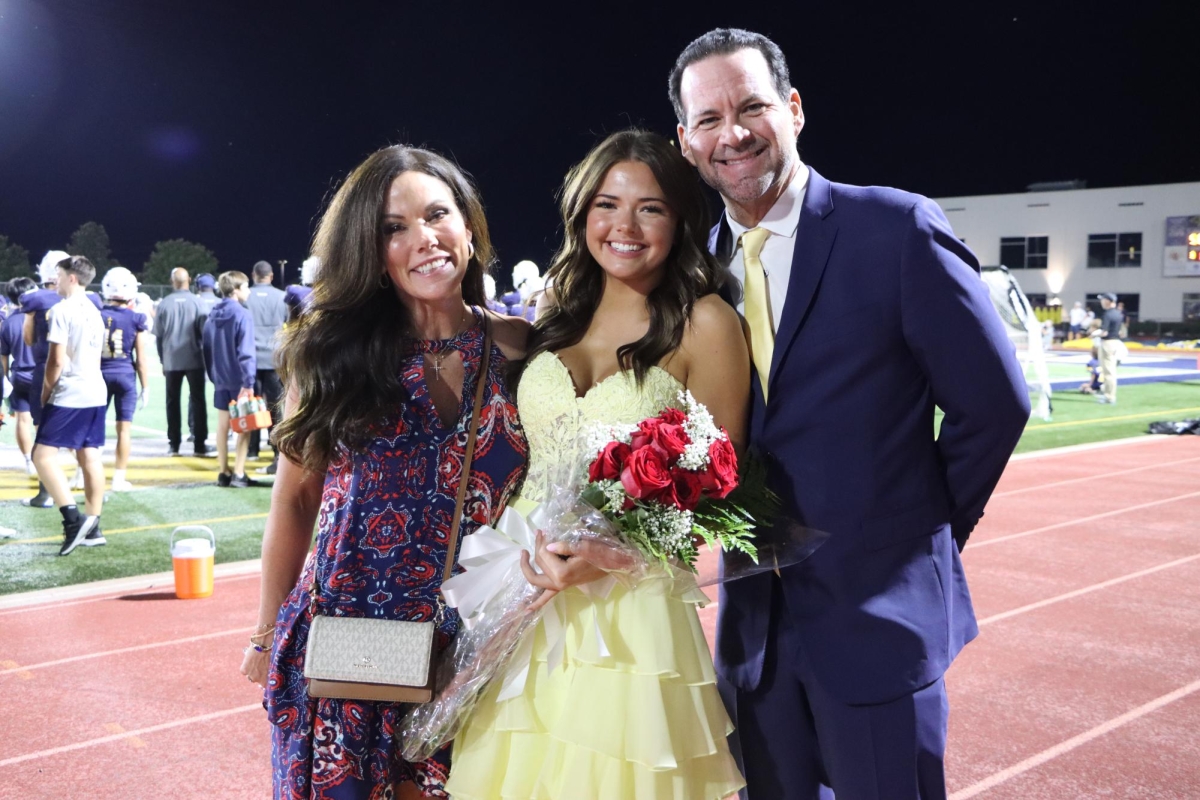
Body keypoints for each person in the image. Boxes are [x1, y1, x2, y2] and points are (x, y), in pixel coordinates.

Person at [670, 29, 1029, 799]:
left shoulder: (896, 229)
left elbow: (994, 404)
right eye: (708, 119)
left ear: (793, 110)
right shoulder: (695, 273)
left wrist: (919, 533)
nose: (731, 134)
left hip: (878, 620)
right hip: (753, 640)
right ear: (686, 140)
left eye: (752, 106)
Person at [447, 130, 749, 800]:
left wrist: (614, 554)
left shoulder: (707, 324)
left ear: (680, 220)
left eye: (651, 208)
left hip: (628, 610)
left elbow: (724, 490)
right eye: (606, 204)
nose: (625, 226)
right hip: (521, 587)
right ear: (582, 215)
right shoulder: (555, 317)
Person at [239, 144, 529, 799]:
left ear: (469, 225)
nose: (422, 239)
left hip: (480, 657)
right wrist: (265, 630)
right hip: (352, 651)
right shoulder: (330, 355)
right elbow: (293, 503)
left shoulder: (522, 349)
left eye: (437, 215)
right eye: (394, 228)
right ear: (368, 251)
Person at [31, 255, 109, 556]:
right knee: (89, 454)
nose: (56, 280)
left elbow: (56, 360)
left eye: (59, 275)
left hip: (71, 391)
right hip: (95, 390)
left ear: (72, 278)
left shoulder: (62, 310)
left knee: (43, 456)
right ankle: (94, 526)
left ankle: (73, 520)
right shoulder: (94, 309)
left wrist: (46, 391)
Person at [20, 250, 71, 507]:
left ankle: (45, 493)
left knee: (43, 434)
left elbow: (28, 340)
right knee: (81, 435)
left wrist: (30, 316)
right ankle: (91, 485)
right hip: (79, 372)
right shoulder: (87, 300)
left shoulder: (35, 300)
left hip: (47, 368)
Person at [201, 271, 258, 487]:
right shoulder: (242, 314)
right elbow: (246, 352)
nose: (248, 291)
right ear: (236, 291)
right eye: (245, 287)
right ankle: (239, 473)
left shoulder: (212, 314)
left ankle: (223, 472)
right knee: (244, 427)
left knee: (222, 426)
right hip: (239, 379)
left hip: (221, 378)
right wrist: (248, 382)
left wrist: (214, 376)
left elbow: (206, 348)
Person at [99, 267, 150, 491]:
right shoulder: (136, 317)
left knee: (93, 428)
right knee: (124, 430)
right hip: (125, 376)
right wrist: (145, 386)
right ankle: (119, 479)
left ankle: (85, 473)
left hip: (99, 375)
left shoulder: (96, 313)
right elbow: (140, 358)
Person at [154, 267, 210, 456]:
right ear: (189, 280)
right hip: (194, 359)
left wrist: (163, 359)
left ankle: (174, 444)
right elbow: (205, 334)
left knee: (172, 401)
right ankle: (199, 444)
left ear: (172, 281)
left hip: (171, 360)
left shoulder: (164, 304)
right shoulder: (197, 302)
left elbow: (159, 337)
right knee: (198, 401)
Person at [245, 260, 288, 464]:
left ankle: (252, 449)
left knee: (252, 406)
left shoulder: (246, 297)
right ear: (270, 276)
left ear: (254, 275)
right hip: (273, 359)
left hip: (250, 360)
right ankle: (276, 450)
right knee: (274, 406)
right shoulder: (282, 297)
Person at [1, 276, 39, 477]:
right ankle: (45, 460)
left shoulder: (8, 323)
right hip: (40, 375)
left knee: (22, 421)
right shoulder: (41, 317)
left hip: (19, 376)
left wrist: (4, 380)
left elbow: (3, 357)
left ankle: (28, 461)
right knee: (42, 422)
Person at [1095, 292, 1123, 405]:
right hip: (1115, 342)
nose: (1101, 302)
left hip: (1107, 343)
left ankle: (1109, 396)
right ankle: (1107, 392)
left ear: (1107, 301)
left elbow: (1104, 332)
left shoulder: (1107, 314)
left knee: (1108, 372)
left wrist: (1094, 333)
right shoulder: (1118, 314)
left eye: (1103, 300)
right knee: (1110, 370)